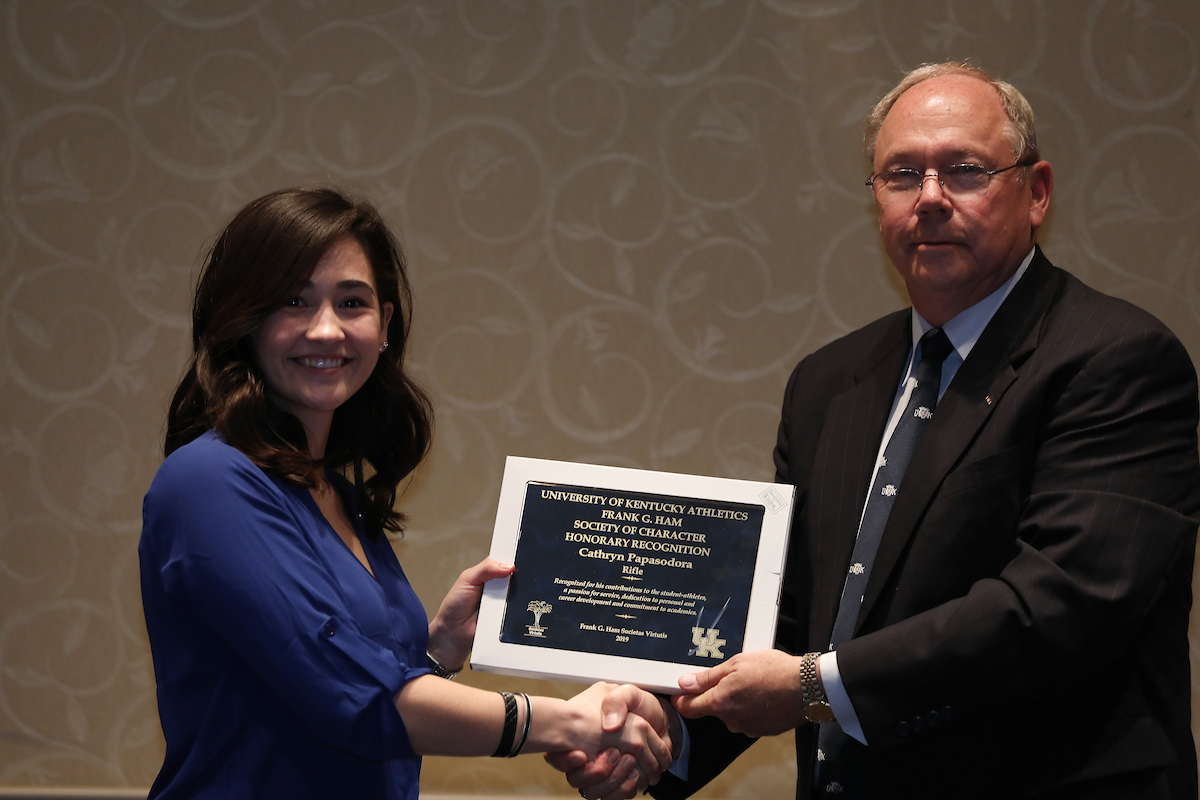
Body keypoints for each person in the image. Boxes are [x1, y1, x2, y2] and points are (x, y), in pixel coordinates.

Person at [555, 62, 1200, 799]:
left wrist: (810, 688)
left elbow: (1059, 605)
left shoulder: (1115, 357)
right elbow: (792, 611)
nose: (929, 199)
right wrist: (663, 732)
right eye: (901, 174)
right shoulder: (830, 380)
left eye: (964, 170)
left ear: (1037, 192)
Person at [138, 187, 674, 800]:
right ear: (244, 320)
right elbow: (357, 699)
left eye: (351, 302)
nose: (325, 329)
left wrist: (439, 652)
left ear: (385, 325)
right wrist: (571, 721)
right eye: (293, 301)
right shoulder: (207, 481)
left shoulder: (337, 495)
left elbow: (352, 706)